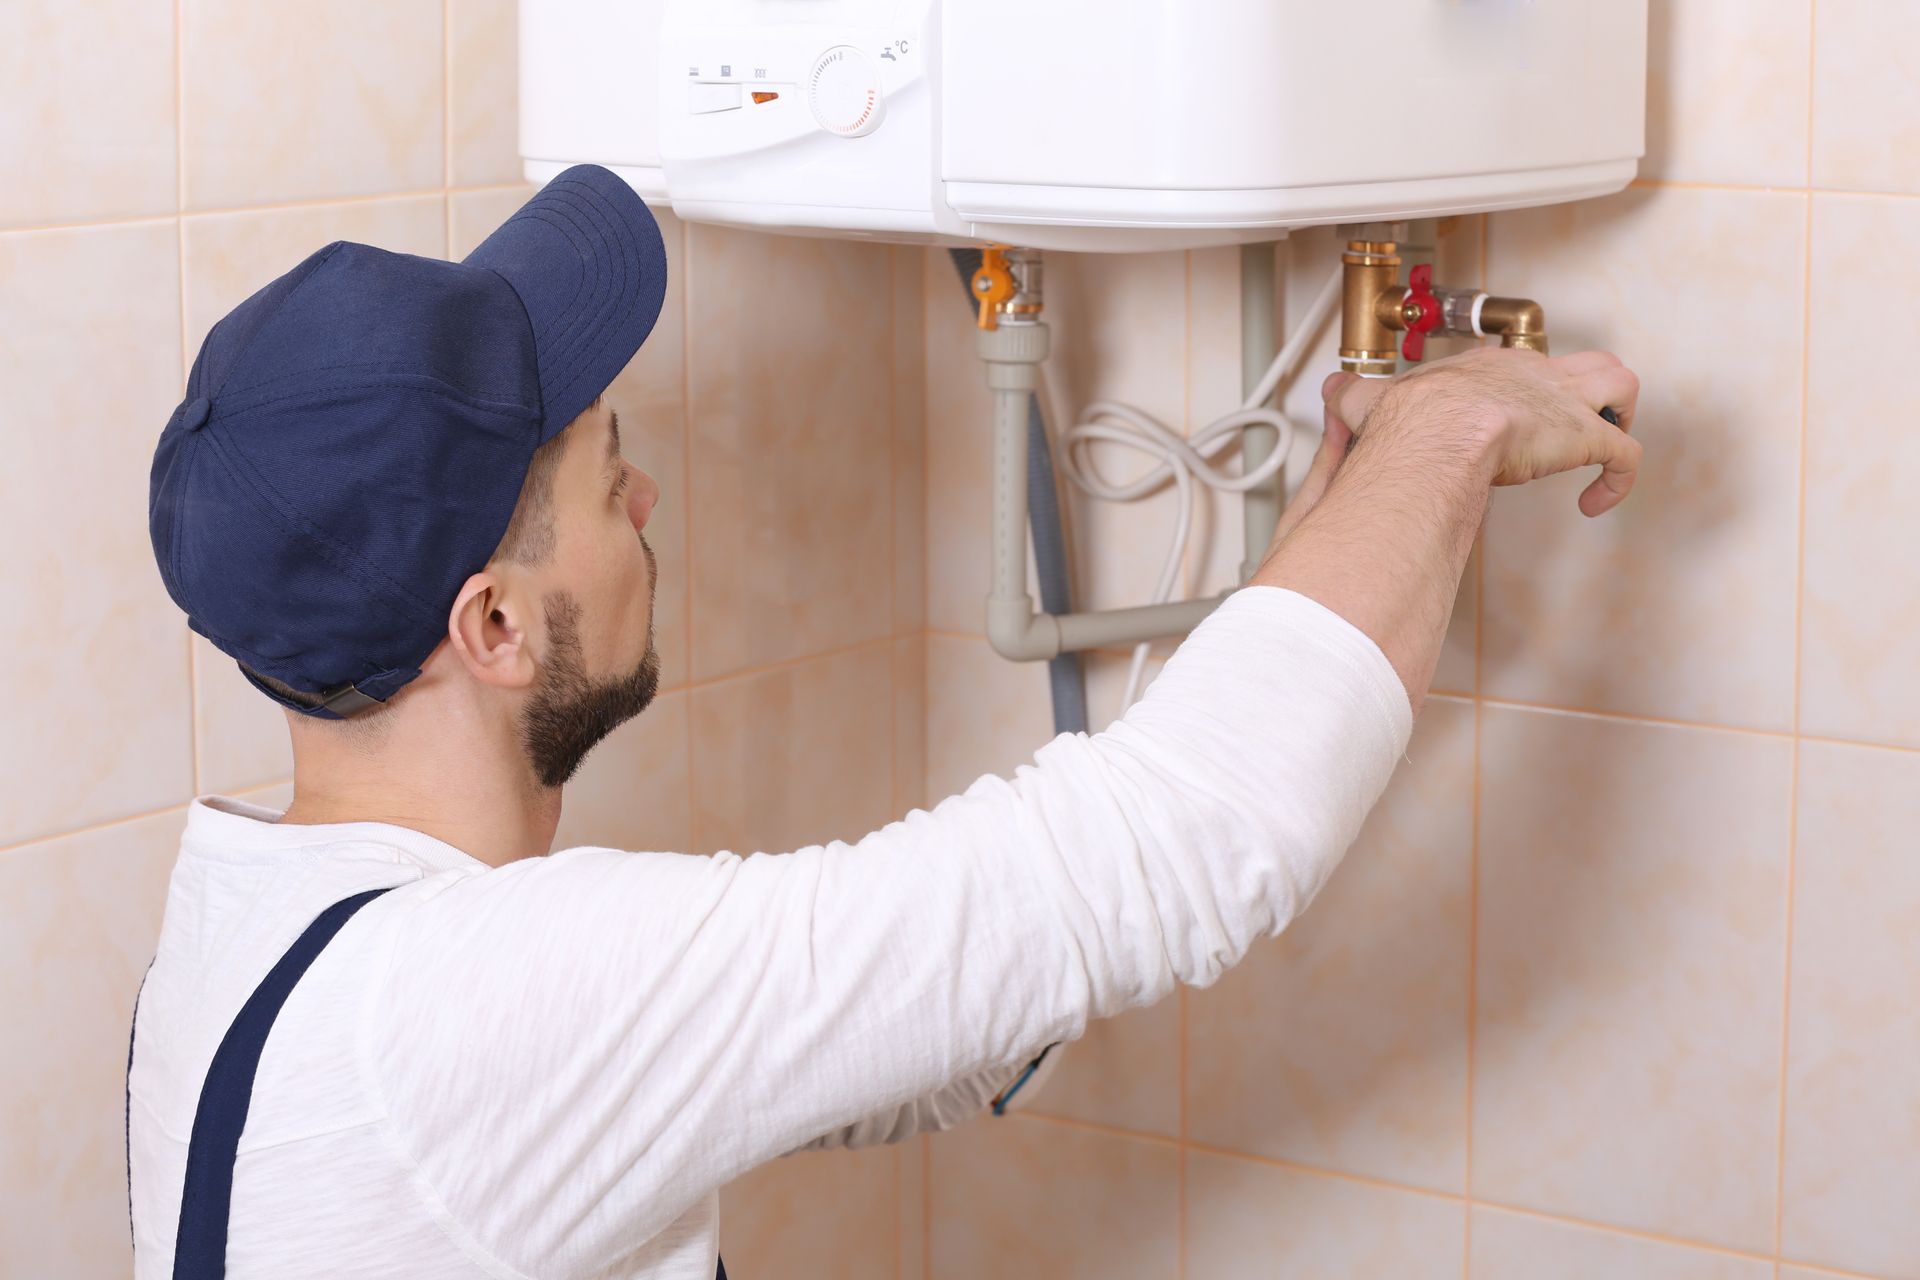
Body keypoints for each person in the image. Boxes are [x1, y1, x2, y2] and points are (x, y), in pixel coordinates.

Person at [129, 165, 1640, 1279]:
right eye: (607, 476)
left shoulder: (252, 934)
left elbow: (870, 1040)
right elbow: (1197, 835)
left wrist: (1341, 529)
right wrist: (1454, 426)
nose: (647, 502)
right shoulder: (476, 1009)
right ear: (497, 627)